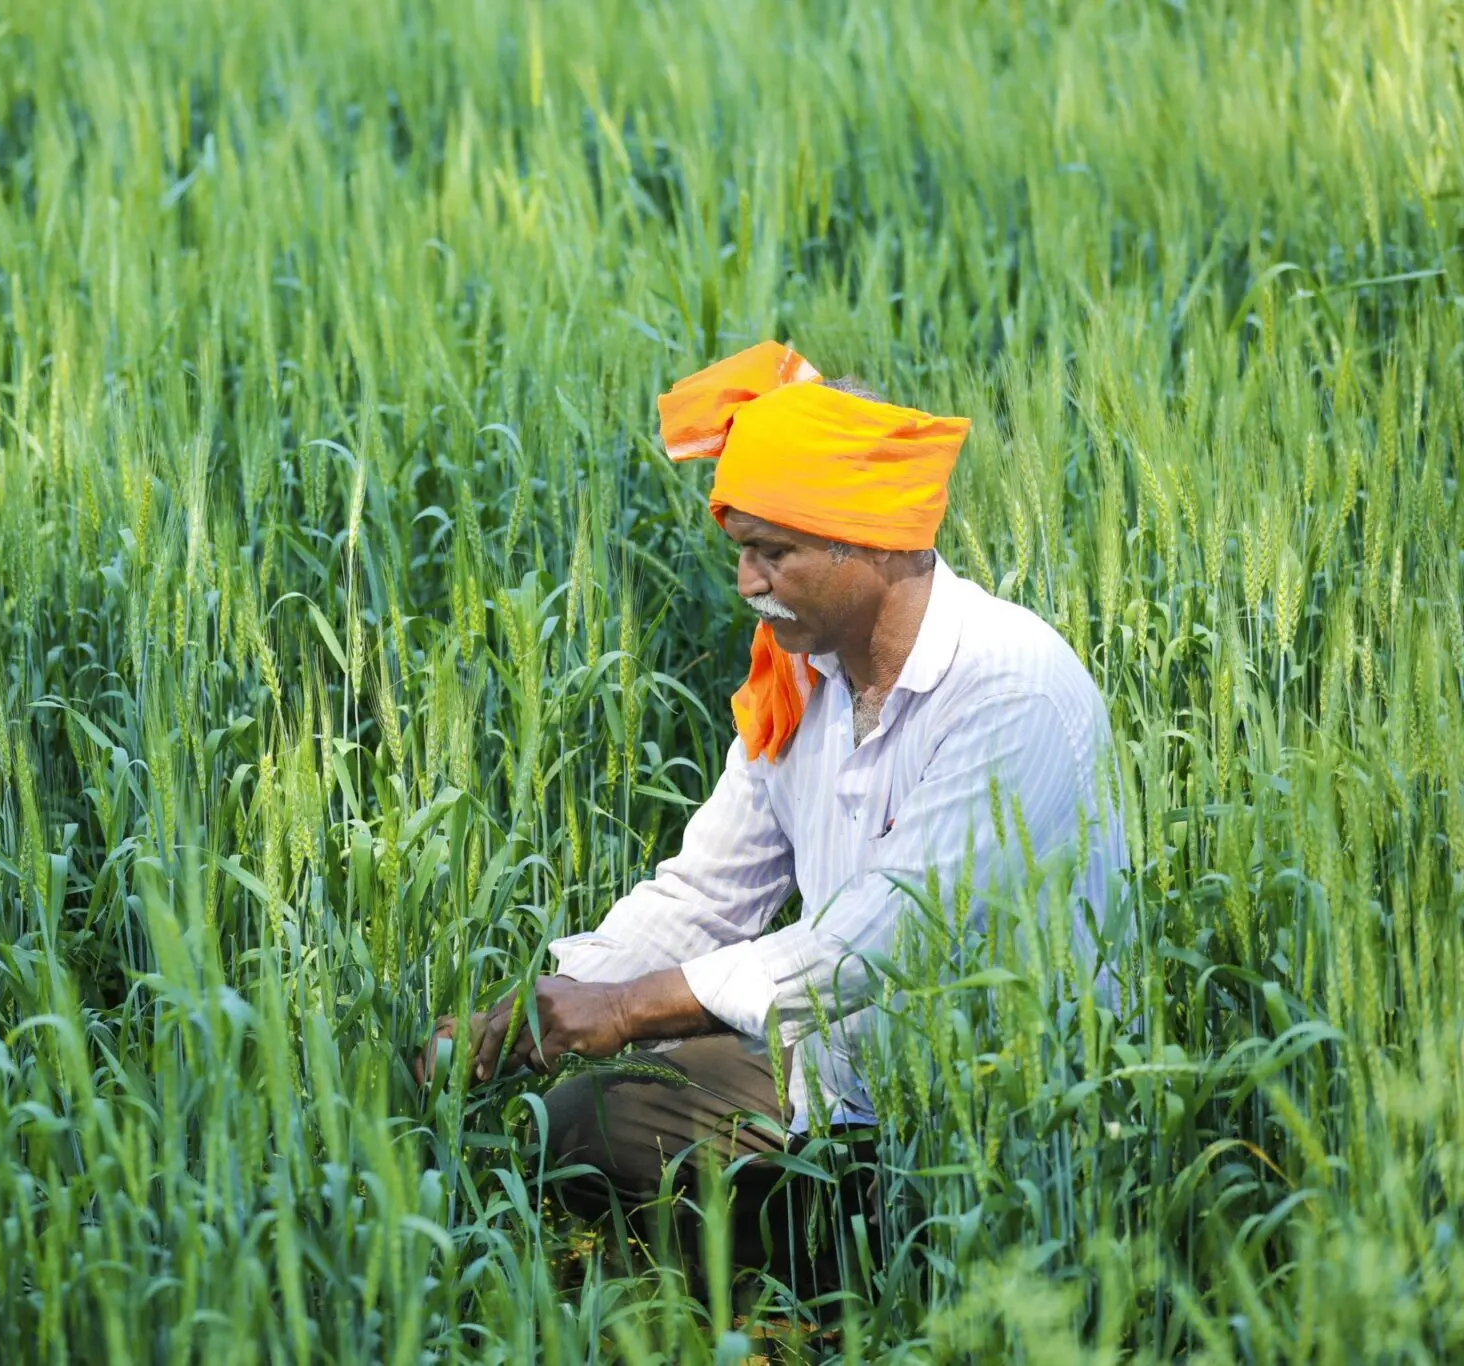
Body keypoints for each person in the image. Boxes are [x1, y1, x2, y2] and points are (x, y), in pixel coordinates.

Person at [413, 341, 1129, 1299]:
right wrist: (534, 1011)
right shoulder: (799, 681)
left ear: (867, 540)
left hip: (997, 1138)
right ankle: (758, 1306)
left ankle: (861, 1296)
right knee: (577, 1121)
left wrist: (626, 1011)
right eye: (741, 551)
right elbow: (709, 890)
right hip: (830, 1089)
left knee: (646, 1063)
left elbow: (869, 946)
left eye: (772, 552)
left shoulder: (1011, 689)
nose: (745, 582)